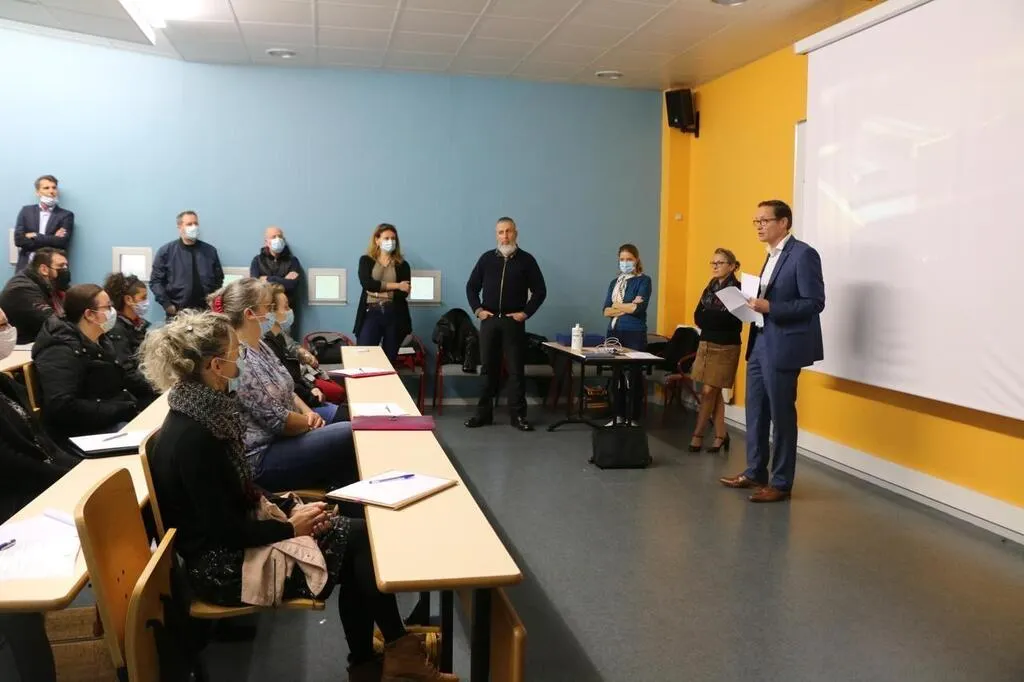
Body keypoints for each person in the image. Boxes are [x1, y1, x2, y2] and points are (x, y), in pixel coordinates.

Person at [138, 311, 456, 682]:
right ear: (215, 366)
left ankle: (377, 659)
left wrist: (291, 507)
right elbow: (225, 532)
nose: (241, 359)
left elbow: (238, 491)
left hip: (236, 539)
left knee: (357, 541)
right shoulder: (195, 436)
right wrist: (291, 528)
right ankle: (390, 656)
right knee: (361, 543)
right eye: (235, 353)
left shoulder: (202, 412)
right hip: (222, 569)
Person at [720, 200, 825, 503]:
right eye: (756, 221)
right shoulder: (771, 255)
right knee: (755, 411)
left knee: (781, 416)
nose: (759, 226)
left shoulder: (803, 254)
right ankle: (755, 471)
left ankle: (780, 482)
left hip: (783, 345)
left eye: (764, 220)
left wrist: (771, 307)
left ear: (784, 223)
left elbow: (814, 302)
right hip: (760, 341)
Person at [211, 278, 356, 492]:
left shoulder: (260, 344)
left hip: (284, 435)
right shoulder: (240, 359)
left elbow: (289, 390)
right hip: (261, 456)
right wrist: (310, 423)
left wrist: (309, 413)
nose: (272, 313)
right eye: (268, 307)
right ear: (249, 314)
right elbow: (279, 422)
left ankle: (344, 497)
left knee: (348, 431)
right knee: (348, 433)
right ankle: (349, 502)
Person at [0, 306, 78, 682]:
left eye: (6, 323)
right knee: (20, 600)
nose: (8, 331)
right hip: (10, 504)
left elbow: (40, 439)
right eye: (0, 326)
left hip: (32, 490)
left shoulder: (6, 384)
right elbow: (9, 461)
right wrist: (61, 478)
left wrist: (76, 469)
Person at [464, 217, 547, 432]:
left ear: (515, 233)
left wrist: (525, 313)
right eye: (501, 232)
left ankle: (518, 416)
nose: (505, 236)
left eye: (508, 231)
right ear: (496, 235)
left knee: (516, 371)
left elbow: (540, 291)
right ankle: (483, 415)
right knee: (487, 370)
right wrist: (478, 310)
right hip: (489, 321)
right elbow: (471, 287)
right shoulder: (486, 259)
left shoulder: (527, 260)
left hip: (513, 322)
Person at [32, 284, 145, 441]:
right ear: (89, 315)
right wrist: (122, 409)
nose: (113, 312)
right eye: (108, 307)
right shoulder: (59, 350)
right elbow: (63, 408)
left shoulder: (100, 339)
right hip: (81, 433)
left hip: (109, 416)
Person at [689, 249, 743, 452]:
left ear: (732, 266)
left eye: (720, 263)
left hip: (726, 346)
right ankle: (721, 435)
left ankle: (698, 434)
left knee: (708, 390)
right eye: (713, 262)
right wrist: (713, 319)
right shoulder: (710, 287)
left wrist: (709, 319)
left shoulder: (737, 289)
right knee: (715, 390)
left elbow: (732, 321)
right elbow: (698, 316)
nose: (715, 266)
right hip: (706, 343)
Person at [601, 244, 652, 426]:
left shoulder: (643, 281)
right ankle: (618, 415)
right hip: (614, 331)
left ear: (636, 260)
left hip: (634, 332)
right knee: (617, 376)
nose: (625, 262)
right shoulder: (614, 283)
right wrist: (627, 306)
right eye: (622, 259)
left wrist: (617, 305)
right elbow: (606, 311)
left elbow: (638, 309)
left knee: (634, 375)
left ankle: (632, 417)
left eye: (629, 259)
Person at [354, 223, 412, 365]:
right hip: (371, 312)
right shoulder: (366, 260)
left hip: (394, 314)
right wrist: (397, 285)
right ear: (377, 240)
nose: (390, 242)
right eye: (386, 238)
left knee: (389, 360)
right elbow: (368, 284)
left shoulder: (403, 265)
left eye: (393, 238)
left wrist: (378, 294)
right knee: (365, 357)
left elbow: (403, 293)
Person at [150, 210, 224, 320]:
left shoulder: (210, 251)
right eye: (189, 224)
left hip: (205, 313)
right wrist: (167, 305)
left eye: (196, 223)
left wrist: (213, 302)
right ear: (180, 227)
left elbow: (219, 278)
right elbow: (156, 282)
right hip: (177, 313)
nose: (194, 227)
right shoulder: (166, 252)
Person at [264, 283, 326, 410]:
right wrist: (311, 391)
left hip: (302, 384)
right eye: (286, 307)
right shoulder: (267, 343)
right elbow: (287, 381)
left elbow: (291, 345)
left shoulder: (277, 332)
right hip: (298, 395)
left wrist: (305, 354)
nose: (289, 311)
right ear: (271, 312)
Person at [102, 272, 157, 405]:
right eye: (143, 298)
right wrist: (157, 385)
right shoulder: (116, 329)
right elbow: (127, 373)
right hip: (133, 395)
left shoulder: (139, 325)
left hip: (144, 384)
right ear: (128, 300)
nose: (146, 302)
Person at [0, 247, 70, 344]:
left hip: (39, 341)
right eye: (61, 266)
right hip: (18, 346)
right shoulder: (21, 289)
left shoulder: (53, 284)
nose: (65, 270)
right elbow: (52, 322)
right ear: (44, 269)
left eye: (66, 266)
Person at [13, 175, 74, 273]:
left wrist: (35, 236)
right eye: (46, 188)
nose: (51, 191)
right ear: (37, 192)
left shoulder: (66, 215)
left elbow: (61, 242)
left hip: (53, 268)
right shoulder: (26, 211)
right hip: (26, 265)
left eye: (54, 187)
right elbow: (19, 240)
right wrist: (52, 239)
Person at [250, 226, 303, 332]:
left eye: (280, 236)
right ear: (266, 242)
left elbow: (292, 285)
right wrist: (283, 280)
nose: (278, 239)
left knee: (285, 340)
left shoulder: (292, 261)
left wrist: (267, 278)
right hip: (263, 311)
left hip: (284, 310)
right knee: (264, 340)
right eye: (274, 237)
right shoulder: (257, 260)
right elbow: (255, 285)